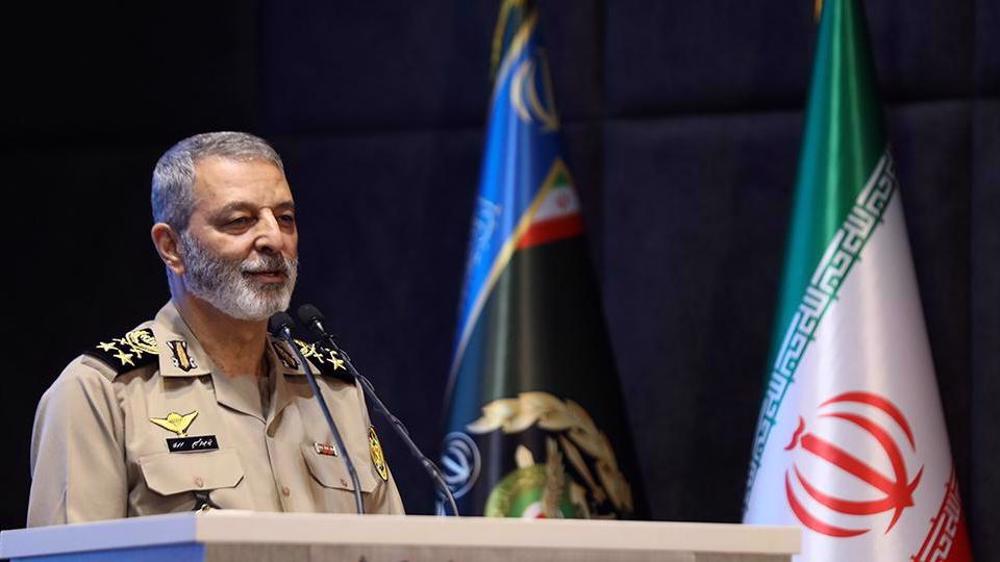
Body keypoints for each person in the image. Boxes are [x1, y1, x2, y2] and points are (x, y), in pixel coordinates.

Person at [27, 132, 404, 525]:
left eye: (285, 218)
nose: (274, 238)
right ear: (171, 247)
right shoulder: (102, 393)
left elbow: (394, 548)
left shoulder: (333, 390)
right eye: (240, 221)